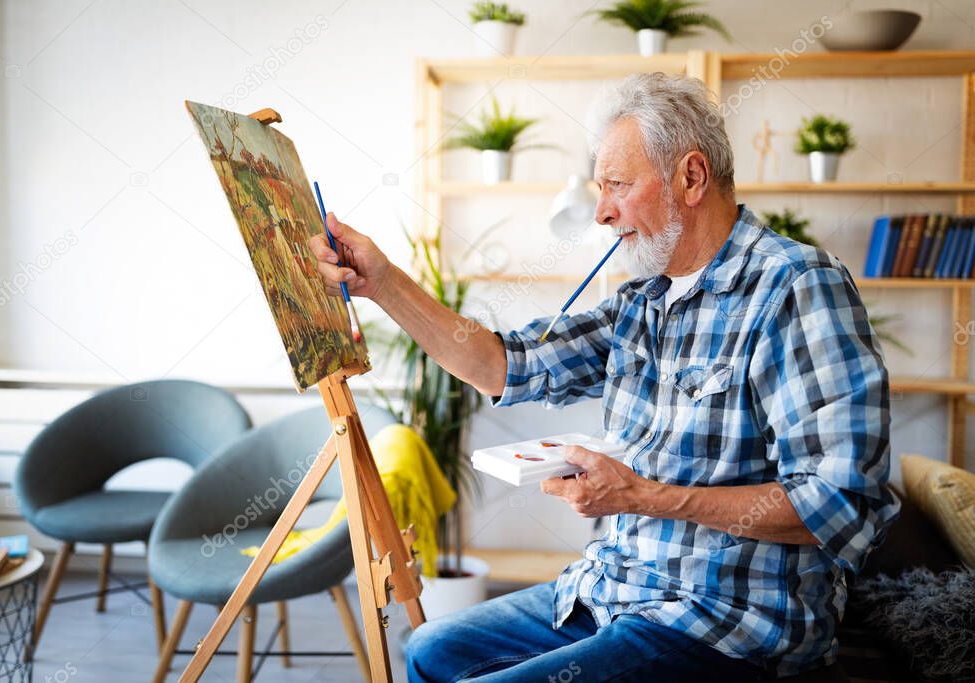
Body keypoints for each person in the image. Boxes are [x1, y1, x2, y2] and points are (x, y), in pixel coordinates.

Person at [308, 72, 899, 682]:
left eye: (617, 184)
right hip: (615, 589)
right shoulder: (643, 300)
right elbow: (502, 364)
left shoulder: (797, 287)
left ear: (690, 178)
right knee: (431, 649)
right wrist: (381, 283)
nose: (601, 210)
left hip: (726, 623)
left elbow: (842, 502)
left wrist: (644, 497)